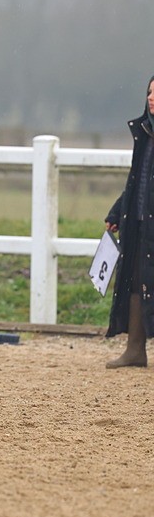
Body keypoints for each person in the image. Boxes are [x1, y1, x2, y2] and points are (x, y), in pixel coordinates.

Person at [103, 73, 154, 368]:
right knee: (135, 282)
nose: (150, 97)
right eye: (149, 92)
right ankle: (135, 350)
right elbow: (136, 182)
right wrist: (117, 212)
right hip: (139, 223)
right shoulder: (144, 133)